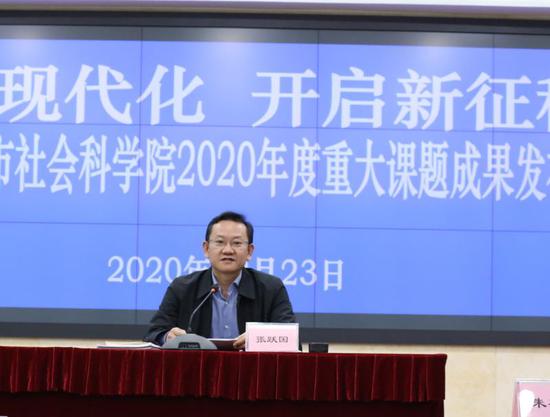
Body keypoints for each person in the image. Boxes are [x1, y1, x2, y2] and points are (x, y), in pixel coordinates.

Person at [144, 211, 296, 350]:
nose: (227, 250)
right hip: (198, 367)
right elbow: (153, 334)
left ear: (249, 251)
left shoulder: (271, 288)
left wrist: (258, 339)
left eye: (237, 243)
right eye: (220, 242)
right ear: (206, 249)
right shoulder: (182, 288)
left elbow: (292, 338)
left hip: (252, 368)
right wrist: (167, 337)